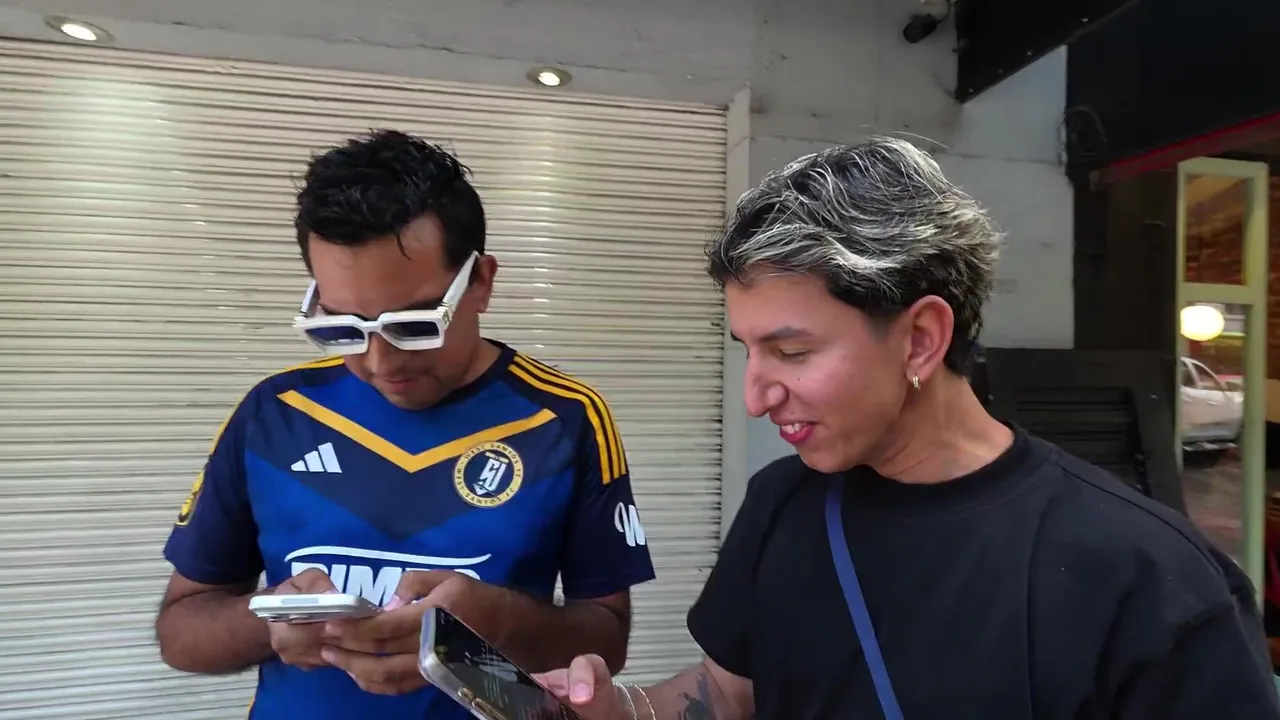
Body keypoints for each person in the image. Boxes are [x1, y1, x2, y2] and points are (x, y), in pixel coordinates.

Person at [535, 137, 1280, 719]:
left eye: (791, 352)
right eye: (748, 351)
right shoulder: (783, 503)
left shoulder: (1152, 580)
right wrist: (618, 710)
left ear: (921, 339)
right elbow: (731, 692)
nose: (756, 397)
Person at [155, 130, 656, 718]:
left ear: (481, 282)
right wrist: (268, 621)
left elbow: (607, 639)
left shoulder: (565, 418)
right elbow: (180, 631)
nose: (380, 362)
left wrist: (496, 620)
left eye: (415, 325)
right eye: (343, 328)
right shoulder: (274, 413)